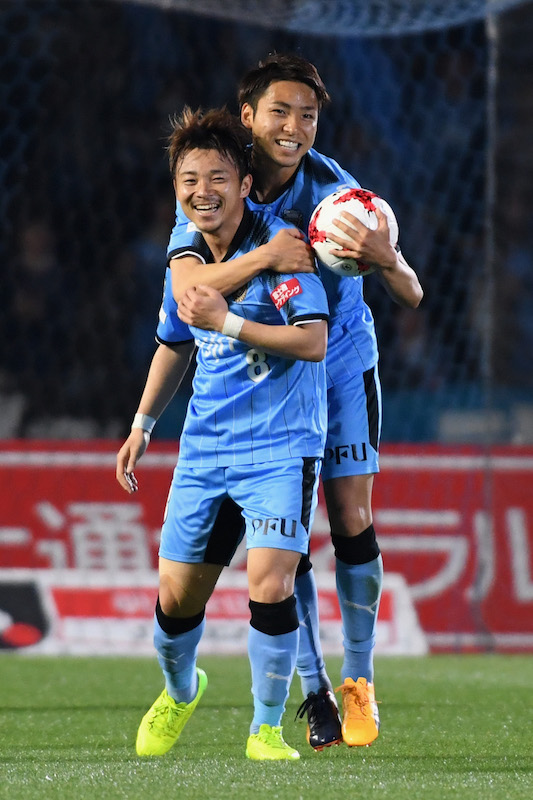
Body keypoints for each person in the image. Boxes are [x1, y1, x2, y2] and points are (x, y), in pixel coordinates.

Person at [119, 54, 423, 750]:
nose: (293, 127)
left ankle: (358, 678)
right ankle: (313, 689)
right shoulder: (215, 183)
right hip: (265, 376)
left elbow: (411, 294)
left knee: (351, 518)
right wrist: (262, 260)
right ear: (248, 115)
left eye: (307, 115)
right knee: (282, 543)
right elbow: (186, 299)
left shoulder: (337, 194)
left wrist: (385, 256)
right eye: (279, 112)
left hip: (336, 357)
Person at [118, 106, 330, 761]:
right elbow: (174, 338)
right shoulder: (185, 246)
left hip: (282, 447)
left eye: (217, 177)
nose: (202, 191)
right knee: (174, 601)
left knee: (270, 582)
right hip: (206, 449)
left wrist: (231, 321)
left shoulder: (285, 247)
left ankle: (265, 730)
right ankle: (181, 690)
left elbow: (313, 342)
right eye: (189, 179)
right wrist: (142, 424)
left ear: (245, 184)